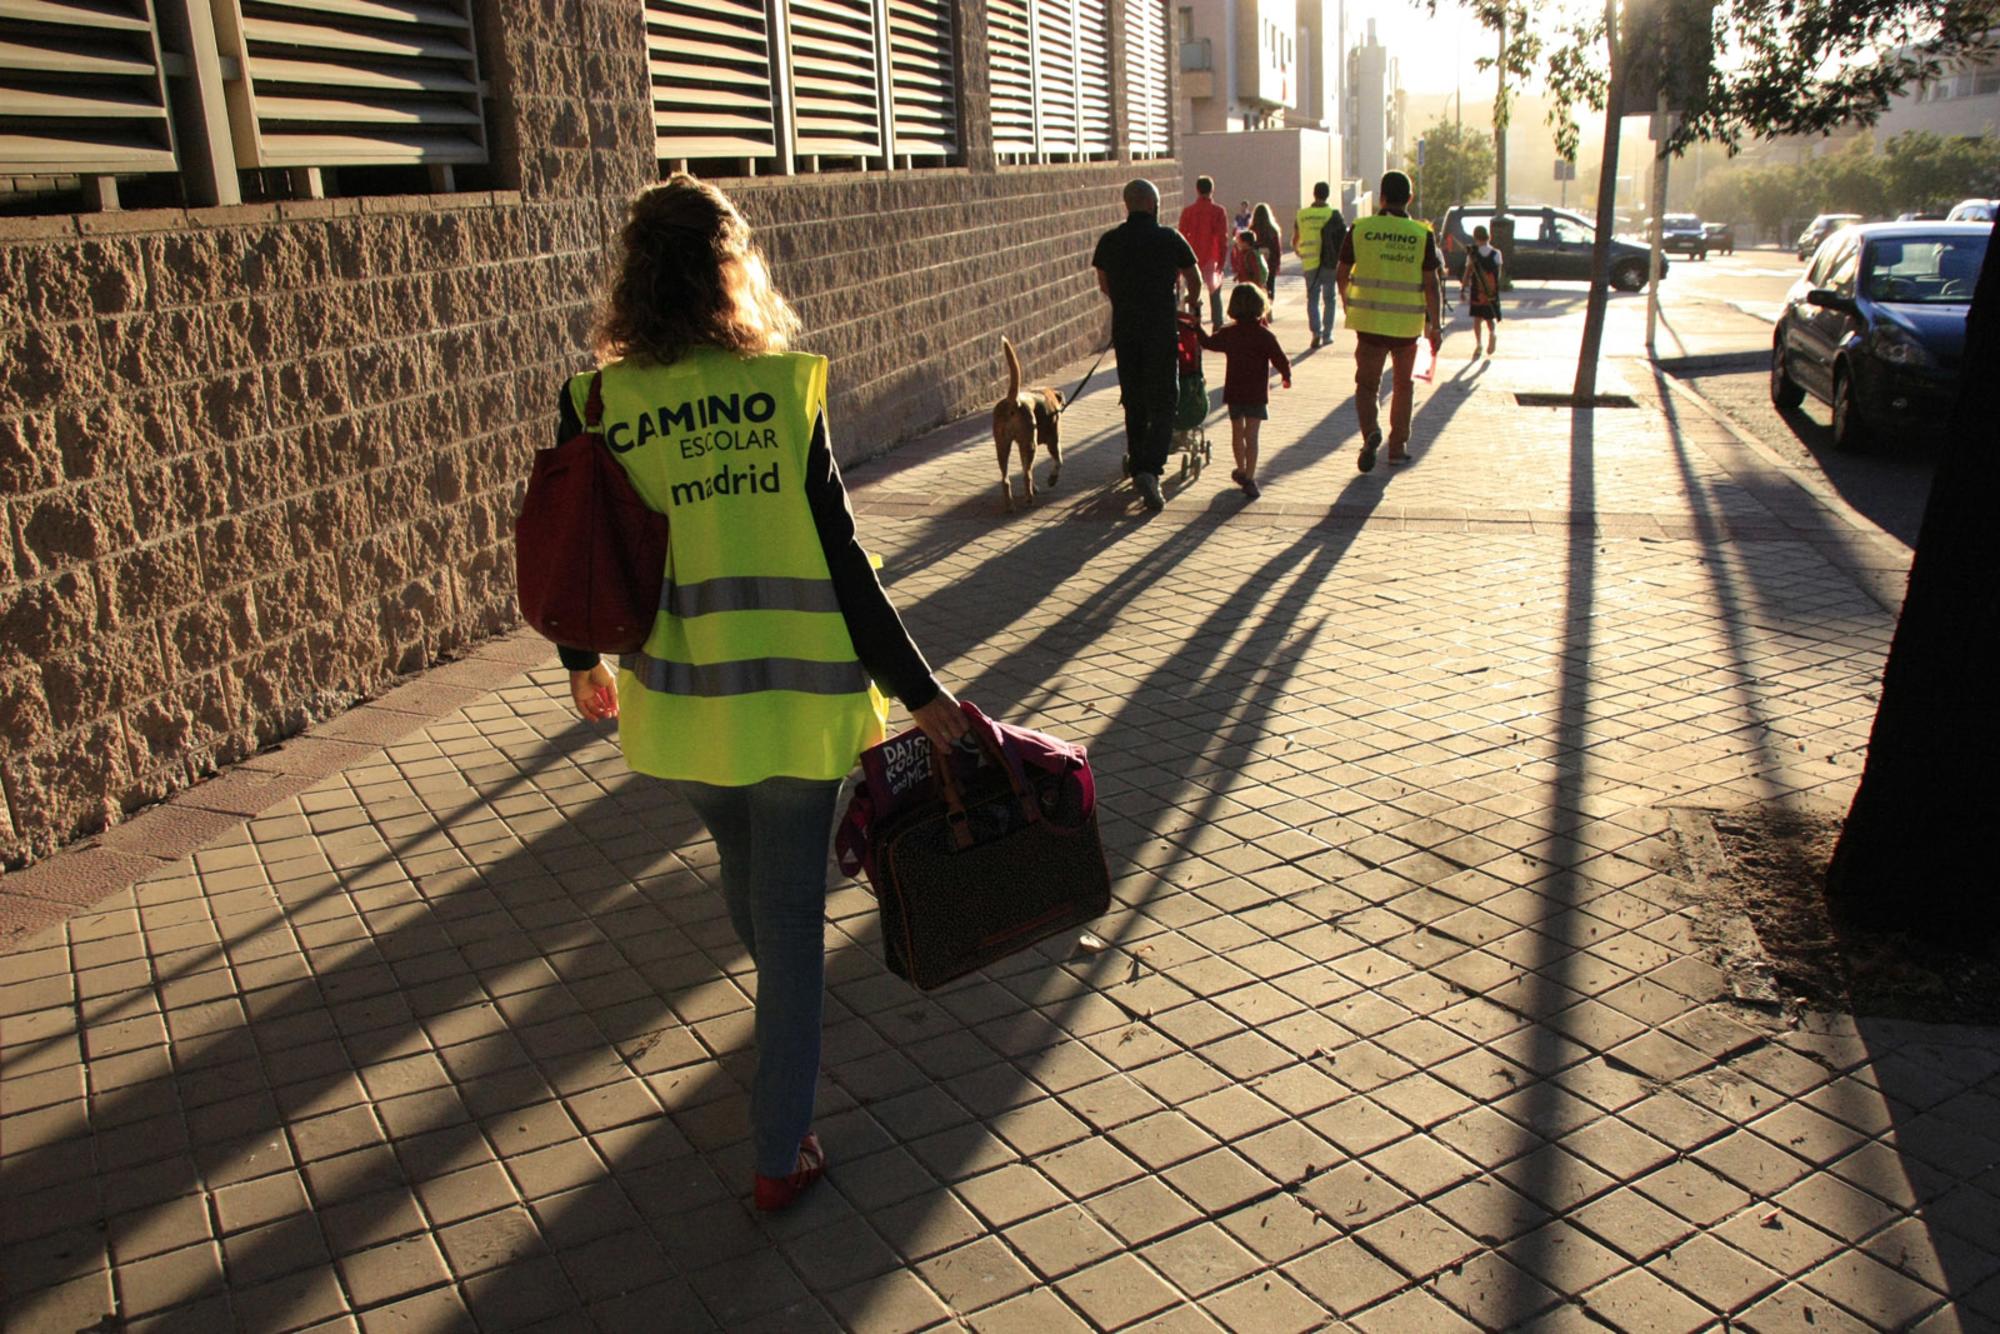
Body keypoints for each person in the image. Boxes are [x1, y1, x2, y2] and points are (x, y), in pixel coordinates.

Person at [556, 174, 970, 1213]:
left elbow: (572, 546)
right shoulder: (784, 391)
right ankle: (779, 1148)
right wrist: (923, 694)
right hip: (794, 707)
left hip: (683, 708)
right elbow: (839, 560)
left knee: (752, 886)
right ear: (729, 271)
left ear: (635, 278)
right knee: (784, 925)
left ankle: (781, 1064)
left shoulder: (597, 402)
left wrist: (580, 660)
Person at [1092, 178, 1202, 513]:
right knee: (1166, 400)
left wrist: (1126, 303)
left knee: (1134, 398)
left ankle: (1139, 462)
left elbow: (1104, 284)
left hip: (1126, 330)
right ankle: (1149, 469)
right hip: (1160, 330)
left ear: (1127, 205)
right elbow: (1194, 279)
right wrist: (1188, 304)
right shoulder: (1169, 237)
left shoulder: (1110, 241)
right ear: (1153, 205)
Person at [1335, 170, 1443, 471]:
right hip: (1407, 327)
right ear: (1410, 198)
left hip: (1368, 323)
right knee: (1403, 386)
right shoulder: (1422, 234)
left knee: (1367, 386)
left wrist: (1347, 302)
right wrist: (1434, 325)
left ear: (1381, 197)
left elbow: (1341, 272)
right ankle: (1397, 448)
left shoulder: (1360, 228)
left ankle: (1371, 433)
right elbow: (1431, 283)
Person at [1197, 283, 1291, 499]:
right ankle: (1249, 476)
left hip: (1235, 390)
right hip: (1256, 392)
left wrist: (1197, 327)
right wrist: (1286, 376)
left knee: (1237, 432)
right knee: (1252, 435)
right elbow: (1280, 358)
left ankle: (1240, 468)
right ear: (1260, 305)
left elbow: (1209, 343)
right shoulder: (1265, 335)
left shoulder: (1229, 333)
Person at [1177, 175, 1231, 330]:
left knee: (1193, 293)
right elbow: (1223, 238)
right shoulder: (1218, 211)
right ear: (1212, 190)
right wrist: (1221, 261)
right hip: (1212, 258)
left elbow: (1181, 236)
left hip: (1191, 258)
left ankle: (1194, 324)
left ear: (1197, 190)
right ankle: (1217, 326)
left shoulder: (1188, 212)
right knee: (1215, 295)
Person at [1292, 182, 1337, 348]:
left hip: (1310, 262)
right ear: (1328, 194)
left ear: (1314, 193)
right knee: (1330, 298)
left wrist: (1297, 250)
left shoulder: (1302, 214)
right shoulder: (1332, 214)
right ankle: (1327, 334)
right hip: (1329, 262)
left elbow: (1296, 237)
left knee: (1312, 298)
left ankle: (1315, 332)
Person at [1461, 224, 1503, 356]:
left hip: (1477, 291)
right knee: (1490, 318)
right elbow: (1498, 274)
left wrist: (1463, 288)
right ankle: (1492, 333)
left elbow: (1468, 273)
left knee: (1477, 319)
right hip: (1491, 292)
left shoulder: (1473, 254)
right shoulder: (1497, 253)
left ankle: (1479, 344)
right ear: (1488, 237)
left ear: (1475, 237)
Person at [1250, 203, 1282, 301]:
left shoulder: (1252, 230)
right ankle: (1269, 309)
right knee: (1270, 286)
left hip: (1256, 264)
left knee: (1256, 287)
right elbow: (1277, 250)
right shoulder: (1273, 231)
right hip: (1270, 263)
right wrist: (1277, 264)